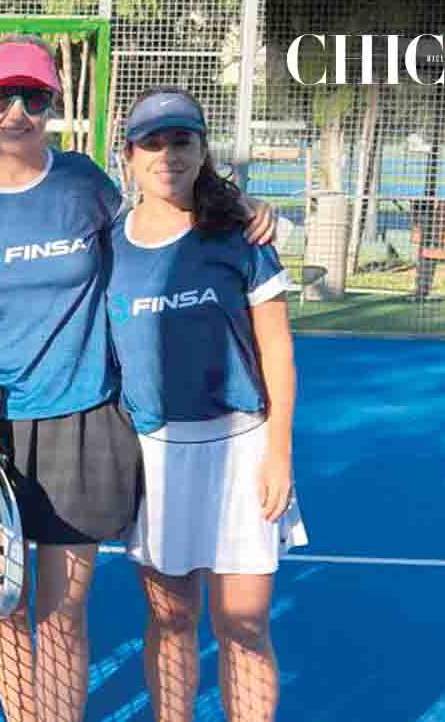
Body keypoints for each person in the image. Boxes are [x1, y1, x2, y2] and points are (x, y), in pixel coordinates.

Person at [0, 36, 278, 722]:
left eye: (34, 98)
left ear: (53, 106)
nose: (16, 112)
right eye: (0, 96)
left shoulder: (85, 185)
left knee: (61, 610)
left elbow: (164, 215)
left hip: (81, 417)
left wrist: (246, 207)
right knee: (2, 605)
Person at [106, 87, 308, 722]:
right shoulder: (108, 243)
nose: (167, 154)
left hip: (242, 447)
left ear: (202, 149)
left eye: (182, 140)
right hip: (153, 455)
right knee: (171, 619)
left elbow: (276, 346)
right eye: (152, 142)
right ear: (130, 157)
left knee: (243, 626)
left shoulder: (240, 235)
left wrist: (279, 453)